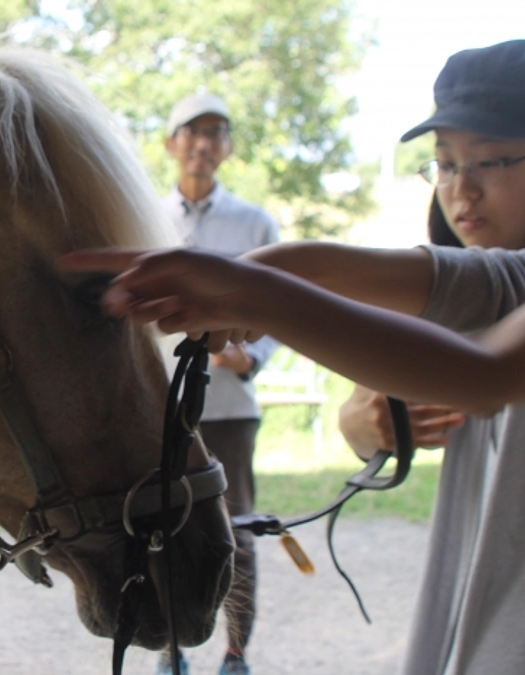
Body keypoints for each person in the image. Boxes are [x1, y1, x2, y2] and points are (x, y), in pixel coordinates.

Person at [60, 40, 525, 675]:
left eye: (491, 162)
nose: (460, 189)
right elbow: (323, 265)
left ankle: (235, 652)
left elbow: (484, 378)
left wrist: (248, 297)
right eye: (443, 165)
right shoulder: (500, 278)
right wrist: (231, 283)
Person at [156, 93, 279, 675]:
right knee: (157, 525)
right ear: (170, 143)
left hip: (229, 408)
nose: (204, 143)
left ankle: (235, 653)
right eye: (192, 131)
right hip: (159, 407)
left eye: (217, 132)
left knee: (237, 530)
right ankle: (169, 647)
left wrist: (242, 355)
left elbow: (282, 308)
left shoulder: (254, 223)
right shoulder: (145, 214)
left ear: (228, 147)